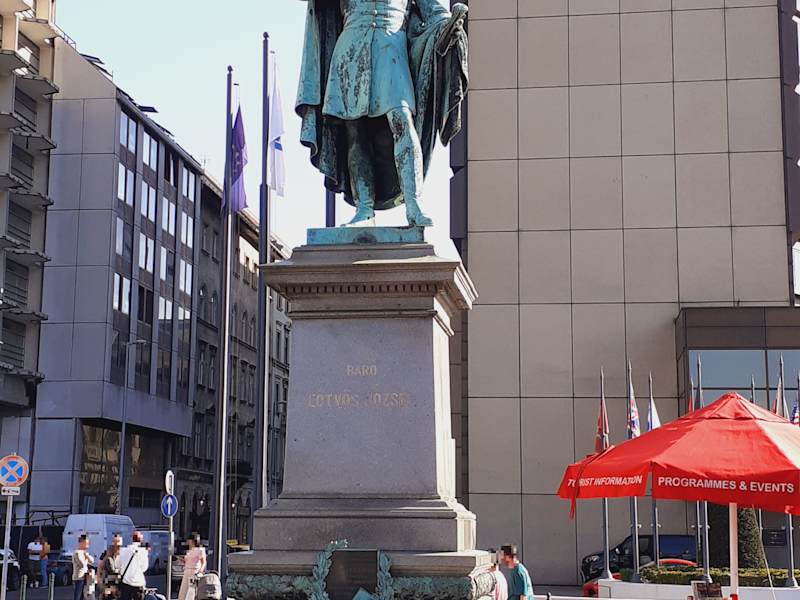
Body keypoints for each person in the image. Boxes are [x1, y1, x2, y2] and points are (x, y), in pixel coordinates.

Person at [118, 532, 149, 600]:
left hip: (126, 583)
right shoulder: (143, 552)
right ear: (141, 540)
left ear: (132, 539)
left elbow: (118, 565)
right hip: (138, 583)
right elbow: (144, 568)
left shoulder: (123, 551)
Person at [178, 533, 206, 600]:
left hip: (194, 572)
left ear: (193, 541)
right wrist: (182, 560)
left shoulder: (200, 550)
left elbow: (203, 562)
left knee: (191, 593)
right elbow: (187, 561)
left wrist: (200, 571)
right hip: (187, 571)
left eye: (189, 540)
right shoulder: (189, 551)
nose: (188, 542)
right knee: (183, 592)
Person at [98, 535, 123, 600]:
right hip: (108, 584)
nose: (118, 546)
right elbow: (99, 567)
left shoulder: (122, 553)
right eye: (116, 543)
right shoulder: (106, 553)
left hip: (118, 584)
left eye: (119, 544)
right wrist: (101, 584)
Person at [72, 535, 94, 600]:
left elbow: (92, 561)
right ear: (82, 542)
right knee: (78, 596)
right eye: (86, 543)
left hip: (84, 577)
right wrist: (86, 558)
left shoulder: (84, 552)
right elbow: (82, 565)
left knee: (83, 596)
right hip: (78, 578)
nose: (88, 545)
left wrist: (86, 556)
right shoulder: (77, 553)